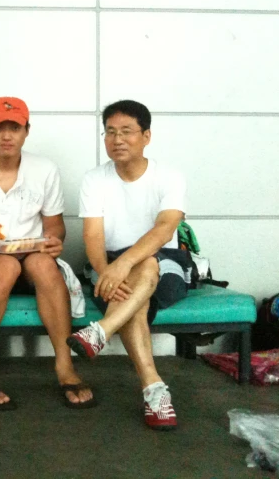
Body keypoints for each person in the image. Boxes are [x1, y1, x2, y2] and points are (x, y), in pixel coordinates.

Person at [0, 97, 94, 410]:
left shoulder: (44, 169)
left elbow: (55, 227)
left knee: (44, 264)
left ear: (26, 131)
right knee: (6, 266)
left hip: (32, 256)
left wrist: (54, 242)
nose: (7, 135)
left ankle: (65, 366)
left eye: (15, 127)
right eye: (0, 127)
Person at [68, 100, 188, 431]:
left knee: (147, 266)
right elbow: (92, 238)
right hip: (109, 265)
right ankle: (154, 390)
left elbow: (165, 230)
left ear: (146, 136)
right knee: (135, 299)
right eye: (110, 132)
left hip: (165, 261)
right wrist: (107, 269)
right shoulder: (95, 179)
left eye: (126, 132)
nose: (117, 139)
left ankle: (101, 331)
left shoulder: (169, 177)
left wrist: (123, 264)